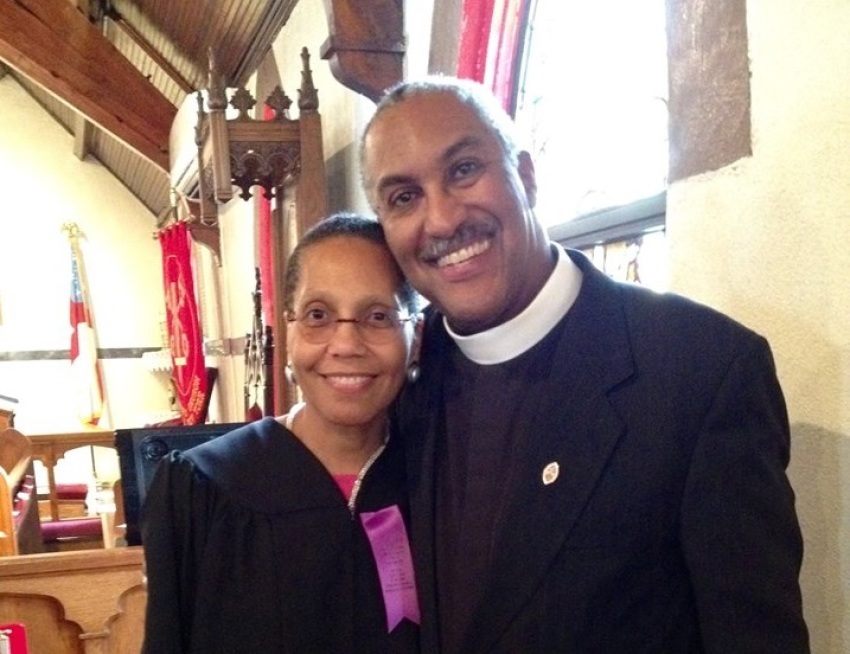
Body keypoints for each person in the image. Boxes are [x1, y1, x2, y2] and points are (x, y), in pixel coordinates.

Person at [360, 77, 810, 653]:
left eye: (464, 170)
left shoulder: (700, 371)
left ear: (526, 175)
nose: (442, 220)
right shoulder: (398, 380)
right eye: (404, 198)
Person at [141, 213, 423, 653]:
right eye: (317, 314)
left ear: (415, 337)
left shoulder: (437, 484)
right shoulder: (205, 488)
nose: (346, 345)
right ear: (288, 330)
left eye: (378, 315)